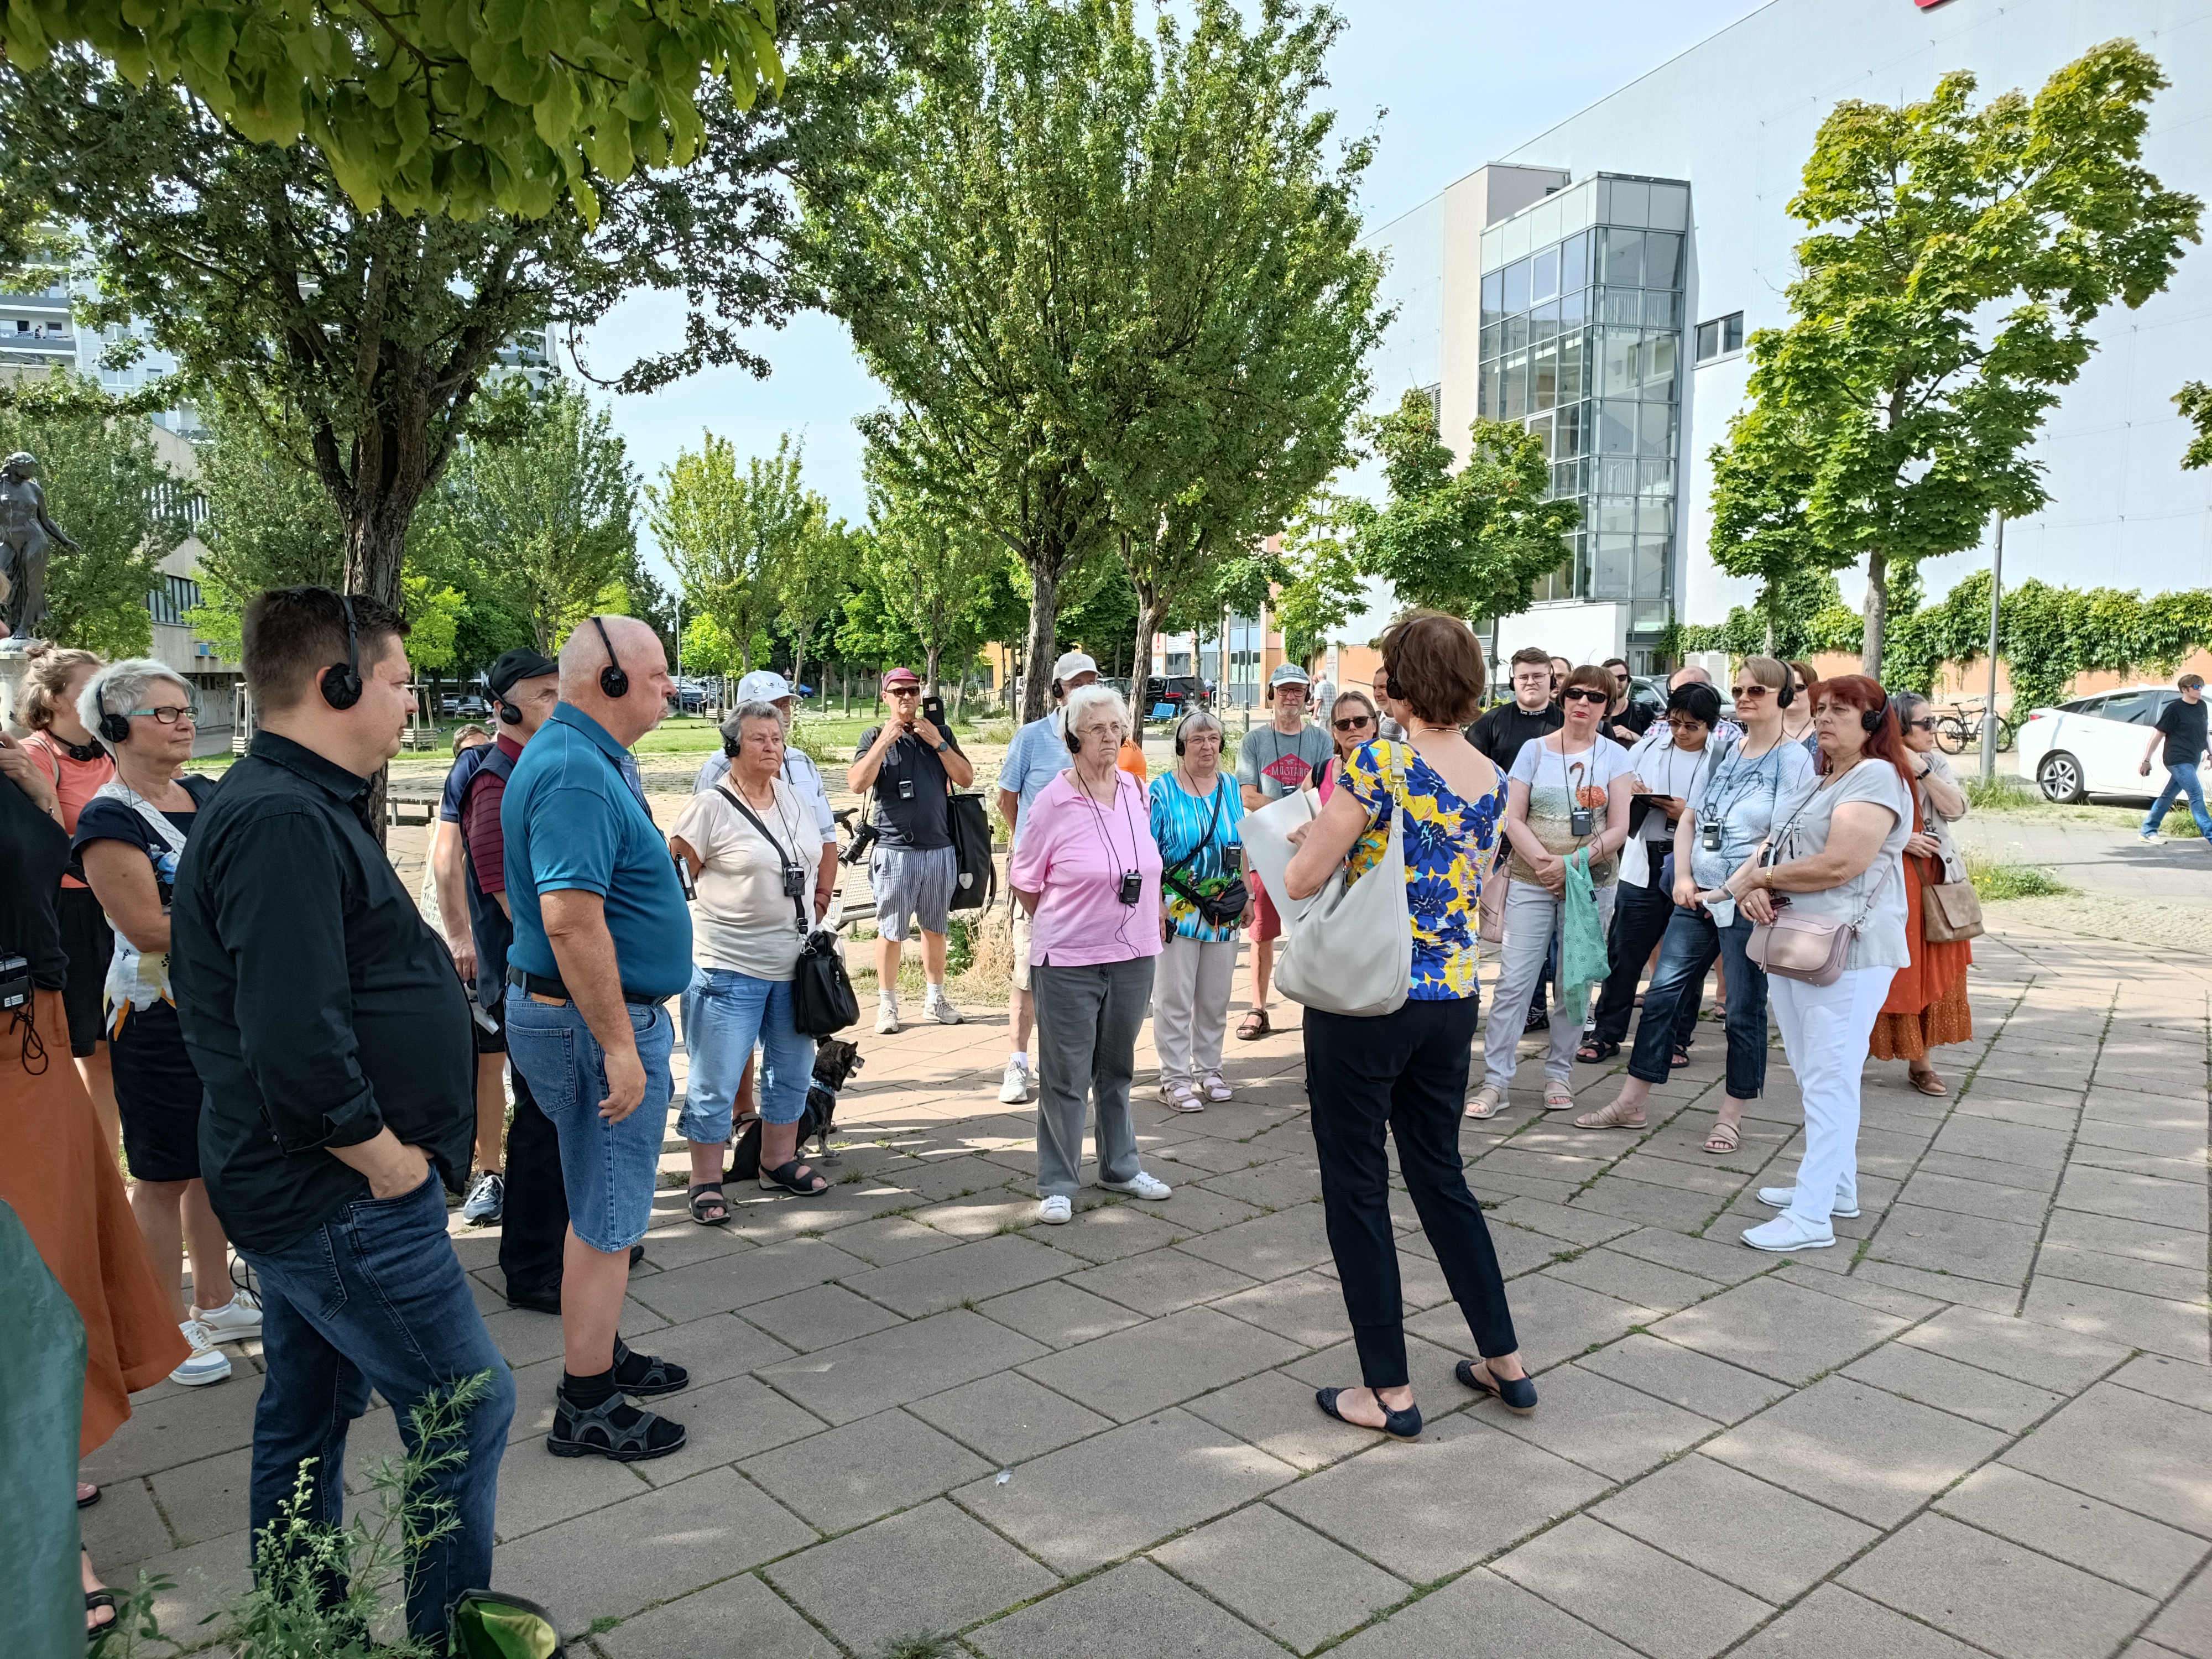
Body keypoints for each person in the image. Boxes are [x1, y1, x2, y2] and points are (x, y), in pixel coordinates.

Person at [169, 587, 513, 1641]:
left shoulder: (291, 801)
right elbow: (297, 1049)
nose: (410, 705)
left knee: (309, 1413)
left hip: (305, 1188)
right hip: (338, 1194)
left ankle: (309, 1620)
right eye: (402, 682)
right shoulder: (279, 819)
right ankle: (451, 1633)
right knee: (468, 1403)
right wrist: (392, 1165)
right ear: (338, 683)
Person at [1284, 609, 1536, 1437]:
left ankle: (1388, 1390)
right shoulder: (1490, 776)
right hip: (1450, 1000)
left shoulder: (1378, 763)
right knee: (1440, 1176)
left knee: (1357, 1186)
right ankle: (1506, 1360)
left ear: (1402, 681)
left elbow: (1301, 876)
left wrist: (1304, 838)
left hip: (1368, 1000)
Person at [1, 727, 190, 1642]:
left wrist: (32, 798)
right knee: (22, 1291)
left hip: (30, 1044)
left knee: (56, 1279)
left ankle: (39, 1456)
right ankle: (45, 1541)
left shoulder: (13, 764)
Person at [502, 614, 694, 1460]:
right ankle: (586, 1402)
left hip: (584, 1016)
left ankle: (601, 1349)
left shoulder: (587, 756)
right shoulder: (579, 771)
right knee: (609, 1214)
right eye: (657, 676)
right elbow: (571, 923)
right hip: (589, 1024)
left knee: (596, 1200)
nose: (670, 689)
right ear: (608, 682)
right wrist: (621, 1044)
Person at [73, 660, 258, 1386]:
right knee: (162, 1174)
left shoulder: (206, 794)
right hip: (153, 1015)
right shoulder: (108, 819)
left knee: (213, 1163)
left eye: (185, 709)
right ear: (116, 729)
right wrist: (244, 924)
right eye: (165, 712)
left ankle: (214, 1299)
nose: (185, 721)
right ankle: (161, 1323)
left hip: (221, 1009)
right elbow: (149, 929)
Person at [1573, 657, 1816, 1147]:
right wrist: (1683, 876)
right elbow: (1692, 819)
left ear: (1782, 697)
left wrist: (1730, 890)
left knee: (1745, 1012)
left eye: (1758, 691)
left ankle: (1732, 1114)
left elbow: (1778, 837)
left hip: (1748, 904)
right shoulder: (1726, 749)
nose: (1745, 698)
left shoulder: (1793, 760)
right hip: (1697, 897)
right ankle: (1632, 1101)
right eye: (1740, 689)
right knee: (1662, 997)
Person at [1729, 674, 1914, 1251]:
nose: (1826, 718)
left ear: (1873, 722)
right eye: (1823, 708)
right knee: (1817, 1077)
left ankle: (1811, 1218)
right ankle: (1836, 1188)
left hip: (1846, 951)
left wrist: (1761, 878)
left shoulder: (1876, 777)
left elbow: (1842, 863)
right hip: (1799, 939)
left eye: (1843, 710)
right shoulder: (1825, 777)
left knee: (1829, 1079)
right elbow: (1780, 847)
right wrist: (1752, 885)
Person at [1008, 684, 1172, 1225]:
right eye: (1098, 728)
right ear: (1072, 737)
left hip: (1134, 952)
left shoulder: (1135, 790)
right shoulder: (1055, 800)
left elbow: (1146, 864)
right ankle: (1057, 1182)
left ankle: (1120, 1168)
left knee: (1117, 1068)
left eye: (1116, 727)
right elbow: (1025, 880)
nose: (1110, 737)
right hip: (1070, 958)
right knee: (1064, 1073)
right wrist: (1068, 922)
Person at [453, 648, 576, 1311]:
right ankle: (531, 1267)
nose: (561, 702)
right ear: (504, 706)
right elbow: (511, 900)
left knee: (567, 1122)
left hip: (556, 979)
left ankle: (572, 1244)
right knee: (542, 1126)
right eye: (545, 692)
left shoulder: (540, 769)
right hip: (531, 983)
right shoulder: (494, 782)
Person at [670, 700, 825, 1213]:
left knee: (792, 1071)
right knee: (715, 1079)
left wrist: (820, 903)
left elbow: (820, 852)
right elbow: (675, 871)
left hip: (793, 966)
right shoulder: (710, 806)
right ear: (733, 746)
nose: (771, 748)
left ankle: (776, 1161)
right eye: (759, 738)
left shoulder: (795, 799)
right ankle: (706, 1178)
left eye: (777, 739)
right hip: (726, 967)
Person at [1469, 665, 1635, 1118]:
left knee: (1574, 984)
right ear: (1563, 696)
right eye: (1576, 693)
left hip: (1591, 884)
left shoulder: (1615, 757)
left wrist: (1572, 865)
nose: (1584, 703)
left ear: (1609, 704)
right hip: (1530, 879)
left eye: (1596, 697)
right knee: (1514, 983)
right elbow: (1512, 817)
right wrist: (1546, 864)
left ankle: (1559, 1073)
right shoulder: (1533, 751)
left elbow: (1619, 827)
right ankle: (1496, 1081)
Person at [13, 643, 121, 1157]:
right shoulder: (33, 756)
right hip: (73, 915)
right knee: (95, 1053)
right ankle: (103, 1174)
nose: (105, 696)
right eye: (90, 688)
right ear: (53, 700)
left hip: (121, 907)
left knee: (125, 1050)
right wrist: (46, 794)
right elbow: (44, 847)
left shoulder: (112, 749)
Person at [1580, 680, 1720, 1065]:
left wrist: (1687, 813)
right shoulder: (1648, 748)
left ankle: (1676, 1039)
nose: (1680, 732)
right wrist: (1634, 792)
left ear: (1710, 725)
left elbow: (1729, 816)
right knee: (1625, 953)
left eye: (1691, 726)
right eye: (1675, 723)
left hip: (1692, 864)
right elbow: (1613, 789)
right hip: (1646, 859)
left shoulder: (1723, 759)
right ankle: (1608, 1033)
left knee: (1685, 959)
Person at [996, 653, 1100, 1104]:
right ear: (1058, 690)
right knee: (1028, 973)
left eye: (1092, 682)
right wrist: (1032, 849)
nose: (1085, 690)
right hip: (1040, 882)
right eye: (1076, 683)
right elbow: (1007, 801)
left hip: (1093, 885)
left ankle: (1078, 1068)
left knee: (1088, 976)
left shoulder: (1106, 737)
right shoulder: (1032, 738)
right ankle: (1018, 1065)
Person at [850, 666, 975, 1034]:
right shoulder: (873, 735)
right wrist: (883, 743)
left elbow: (966, 778)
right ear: (885, 697)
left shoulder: (940, 734)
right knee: (891, 930)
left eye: (913, 691)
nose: (907, 698)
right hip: (894, 851)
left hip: (939, 848)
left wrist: (938, 742)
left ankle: (935, 998)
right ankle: (887, 1005)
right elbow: (857, 783)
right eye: (899, 692)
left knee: (936, 928)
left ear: (921, 695)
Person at [1872, 692, 1974, 1097]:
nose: (1935, 730)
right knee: (1888, 968)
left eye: (1934, 722)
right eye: (1925, 724)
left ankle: (1923, 1063)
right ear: (1898, 727)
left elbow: (1957, 809)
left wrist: (1922, 773)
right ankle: (1861, 1048)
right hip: (1888, 881)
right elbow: (1845, 826)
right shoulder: (1874, 765)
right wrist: (1900, 842)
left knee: (1932, 967)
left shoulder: (1934, 762)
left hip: (1935, 879)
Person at [1148, 706, 1246, 1111]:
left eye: (1213, 739)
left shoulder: (1232, 786)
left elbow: (1242, 844)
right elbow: (1148, 852)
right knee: (1174, 996)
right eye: (1197, 740)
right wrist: (1154, 904)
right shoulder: (1162, 790)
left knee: (1215, 996)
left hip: (1225, 904)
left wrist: (1251, 896)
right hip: (1178, 906)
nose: (1207, 747)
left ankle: (1210, 1070)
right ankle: (1174, 1079)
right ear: (1181, 747)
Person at [1469, 647, 1566, 1033]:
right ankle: (1531, 1008)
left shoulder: (1568, 723)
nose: (1530, 682)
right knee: (1519, 936)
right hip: (1506, 847)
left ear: (1551, 680)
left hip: (1563, 846)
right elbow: (1473, 779)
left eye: (1539, 675)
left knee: (1562, 938)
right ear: (1512, 681)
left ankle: (1571, 1012)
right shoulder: (1490, 724)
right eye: (1523, 676)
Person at [1233, 663, 1332, 1041]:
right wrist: (1291, 811)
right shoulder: (1254, 742)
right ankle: (1257, 1008)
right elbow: (1248, 794)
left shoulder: (1321, 740)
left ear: (1307, 697)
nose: (1290, 697)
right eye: (1283, 691)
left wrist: (1303, 817)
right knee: (1261, 935)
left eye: (1297, 691)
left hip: (1312, 847)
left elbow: (1325, 789)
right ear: (1271, 695)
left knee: (1314, 933)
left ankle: (1319, 1007)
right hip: (1265, 849)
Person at [430, 721, 500, 1213]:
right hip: (489, 949)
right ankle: (489, 1170)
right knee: (488, 1059)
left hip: (547, 951)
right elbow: (445, 858)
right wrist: (459, 936)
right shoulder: (473, 768)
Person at [2138, 672, 2210, 841]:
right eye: (2196, 686)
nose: (2200, 689)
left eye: (2201, 686)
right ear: (2185, 690)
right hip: (2177, 759)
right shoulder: (2174, 709)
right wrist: (2146, 760)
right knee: (2196, 794)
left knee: (2168, 795)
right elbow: (2158, 736)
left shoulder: (2202, 706)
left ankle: (2148, 830)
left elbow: (2204, 731)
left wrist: (2210, 751)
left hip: (2193, 758)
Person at [1316, 688, 1379, 799]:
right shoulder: (1319, 772)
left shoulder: (1395, 770)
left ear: (1374, 726)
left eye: (1360, 721)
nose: (1352, 727)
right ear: (1334, 732)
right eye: (1343, 724)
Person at [1601, 657, 1649, 744]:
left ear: (1628, 680)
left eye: (1622, 677)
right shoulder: (1594, 710)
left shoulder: (1644, 711)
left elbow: (1654, 749)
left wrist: (1633, 736)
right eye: (1610, 677)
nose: (1616, 682)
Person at [1782, 661, 1819, 751]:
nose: (1790, 692)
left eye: (1798, 687)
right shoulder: (1764, 734)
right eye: (1785, 687)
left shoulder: (1827, 735)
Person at [1369, 661, 1407, 741]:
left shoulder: (1414, 723)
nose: (1377, 694)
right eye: (1375, 688)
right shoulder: (1369, 722)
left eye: (1383, 687)